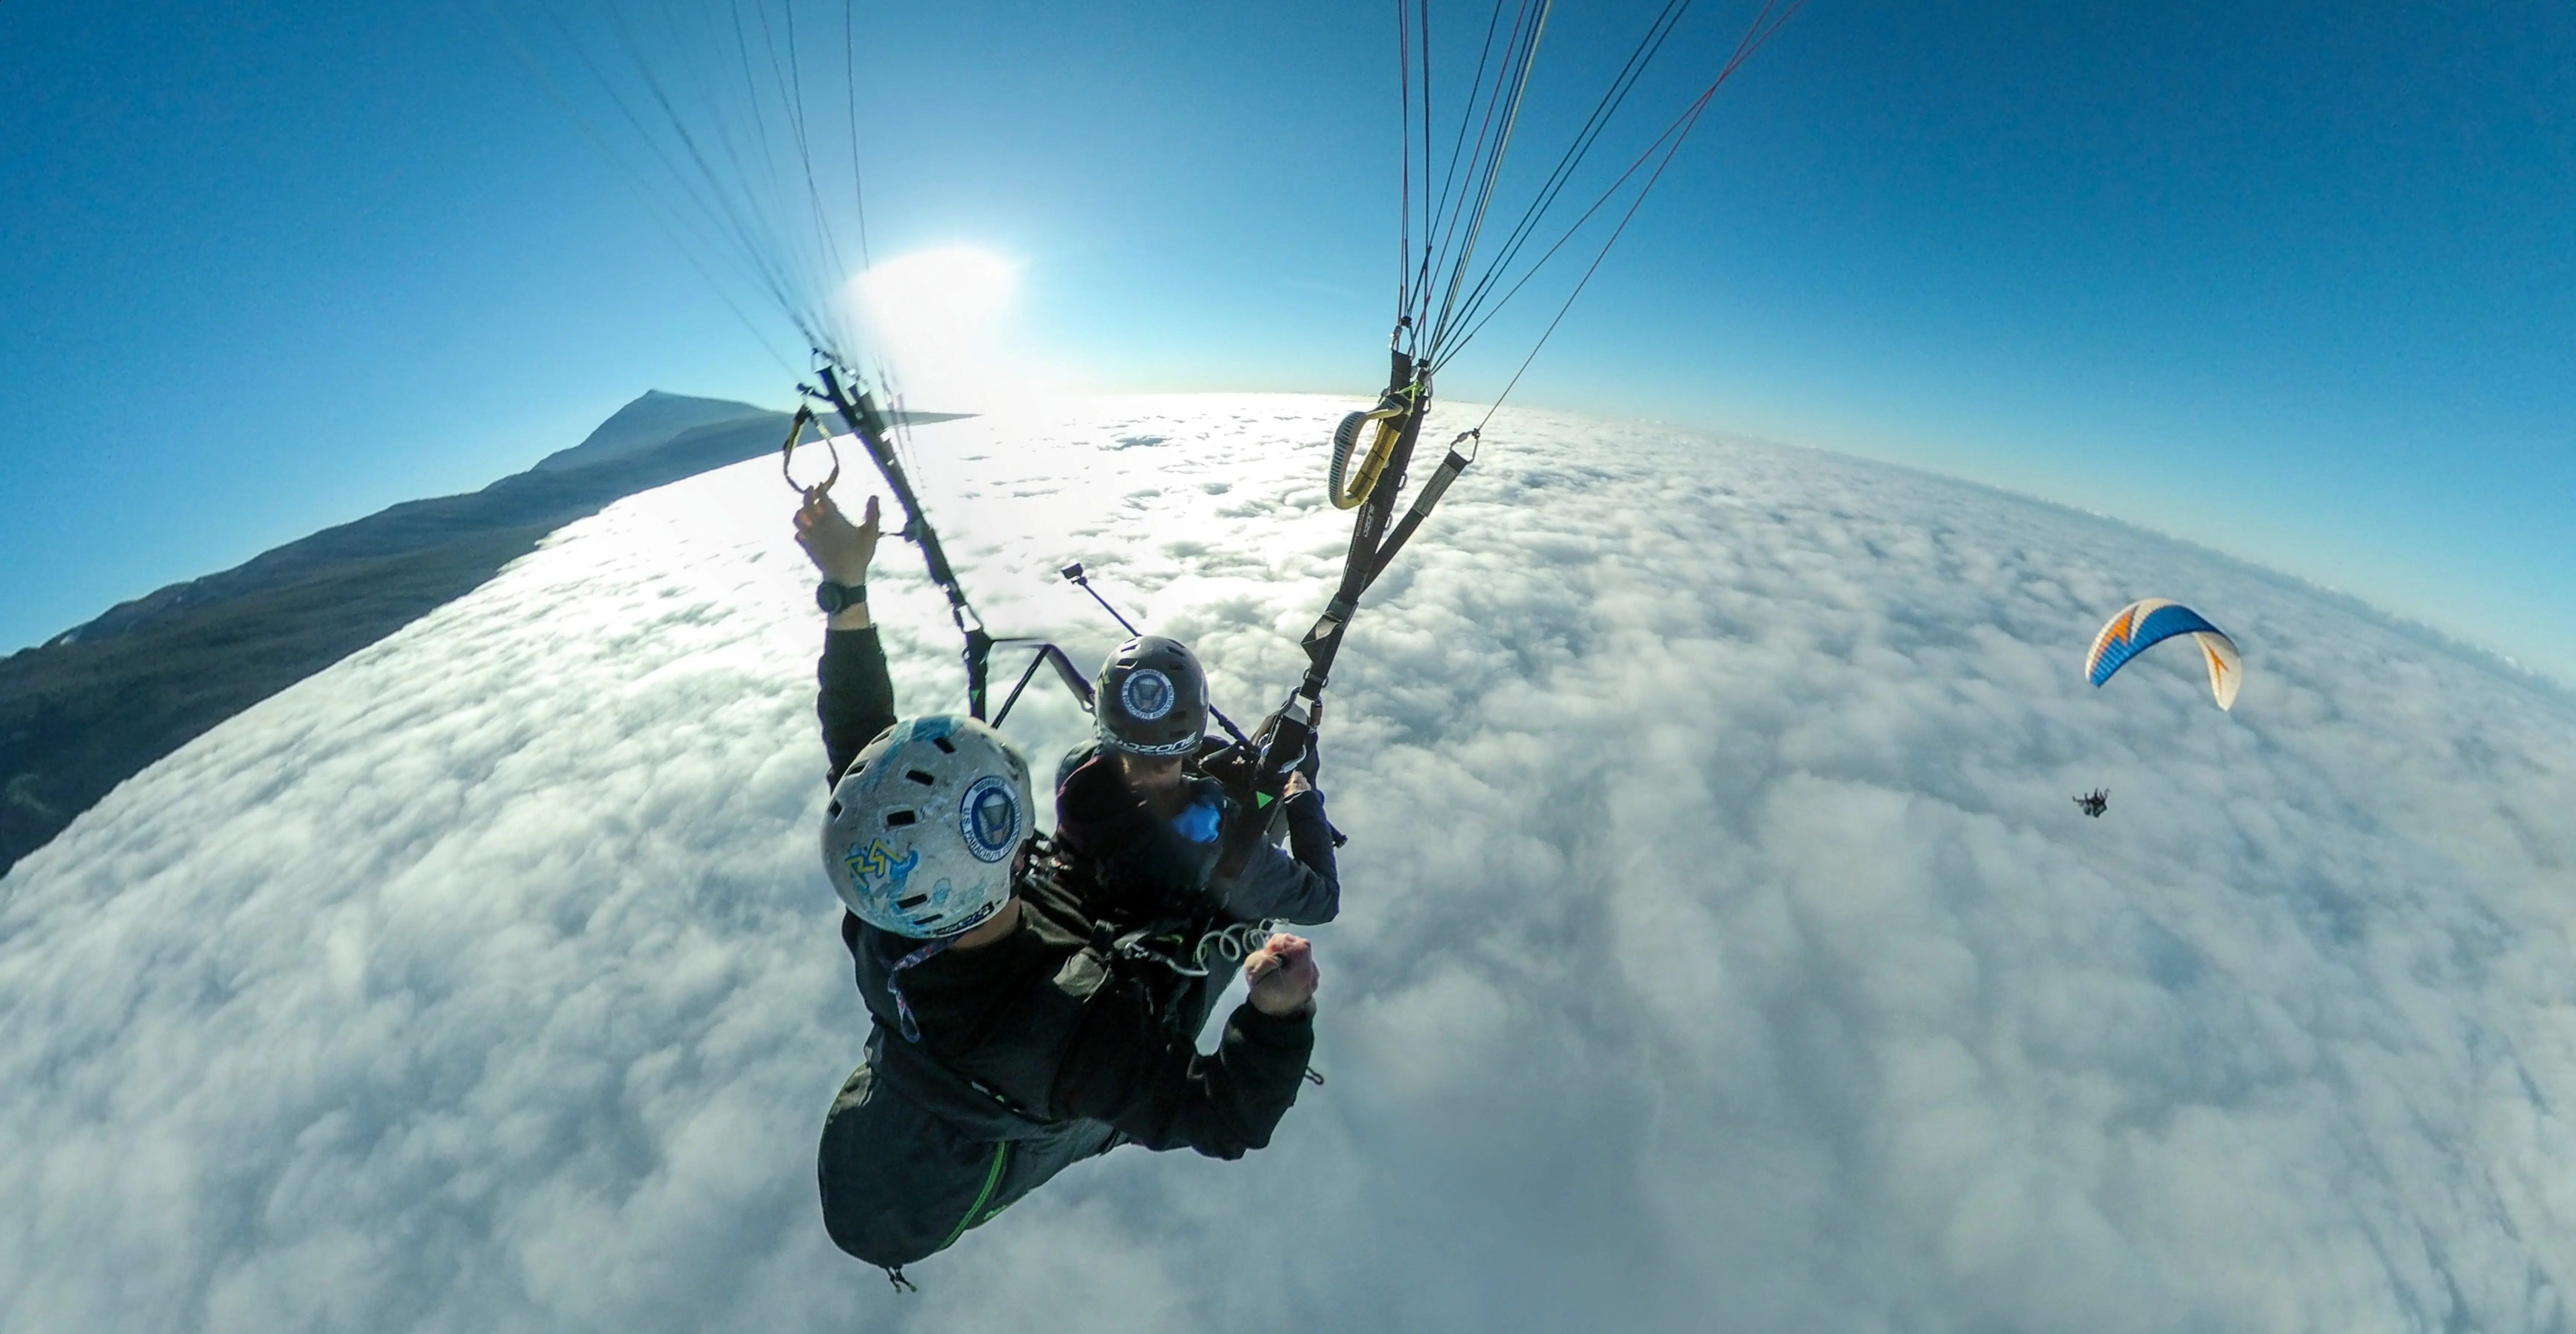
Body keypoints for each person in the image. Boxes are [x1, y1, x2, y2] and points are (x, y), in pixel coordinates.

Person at [794, 490, 1323, 1285]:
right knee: (1213, 904)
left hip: (963, 1048)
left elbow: (860, 749)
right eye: (1000, 818)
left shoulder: (888, 898)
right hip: (1042, 1085)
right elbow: (1223, 1116)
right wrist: (1281, 1015)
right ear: (1007, 865)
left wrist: (847, 588)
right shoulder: (1078, 1039)